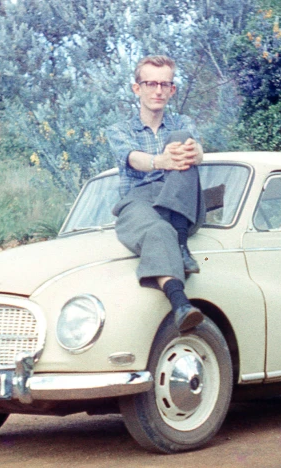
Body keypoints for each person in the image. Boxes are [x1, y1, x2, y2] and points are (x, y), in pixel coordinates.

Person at [105, 55, 205, 333]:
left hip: (182, 204)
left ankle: (181, 242)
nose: (158, 91)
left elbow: (195, 151)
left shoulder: (182, 122)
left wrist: (196, 153)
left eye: (165, 84)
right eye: (150, 83)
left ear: (173, 90)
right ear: (137, 88)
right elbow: (133, 158)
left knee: (180, 138)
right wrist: (160, 161)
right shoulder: (119, 129)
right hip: (139, 202)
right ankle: (181, 303)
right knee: (158, 232)